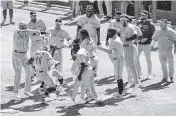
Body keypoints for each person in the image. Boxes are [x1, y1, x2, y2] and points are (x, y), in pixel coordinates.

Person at [12, 22, 40, 100]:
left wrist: (39, 32)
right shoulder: (17, 32)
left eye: (25, 26)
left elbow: (34, 36)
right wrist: (34, 31)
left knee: (29, 71)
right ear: (20, 26)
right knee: (18, 73)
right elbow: (24, 31)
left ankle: (27, 90)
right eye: (23, 26)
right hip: (16, 55)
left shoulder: (27, 33)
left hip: (25, 55)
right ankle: (15, 92)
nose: (24, 27)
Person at [97, 27, 124, 99]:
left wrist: (101, 48)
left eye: (110, 34)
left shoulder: (116, 41)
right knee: (117, 76)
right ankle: (120, 92)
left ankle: (120, 94)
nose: (109, 35)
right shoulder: (114, 39)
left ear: (114, 34)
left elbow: (110, 52)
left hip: (118, 60)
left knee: (118, 76)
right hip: (117, 59)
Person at [119, 17, 141, 94]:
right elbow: (120, 34)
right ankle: (133, 81)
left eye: (123, 21)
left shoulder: (130, 27)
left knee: (131, 64)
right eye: (121, 21)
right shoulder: (122, 27)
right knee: (128, 64)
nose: (122, 22)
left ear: (126, 21)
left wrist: (126, 40)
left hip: (130, 47)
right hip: (125, 47)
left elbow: (135, 36)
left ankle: (136, 83)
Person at [137, 10, 155, 79]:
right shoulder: (138, 23)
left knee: (148, 59)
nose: (142, 16)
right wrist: (137, 39)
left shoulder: (151, 24)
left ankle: (149, 73)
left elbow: (154, 35)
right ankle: (139, 73)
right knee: (136, 58)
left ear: (147, 15)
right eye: (141, 15)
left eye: (143, 15)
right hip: (139, 43)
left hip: (147, 44)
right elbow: (136, 32)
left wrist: (147, 38)